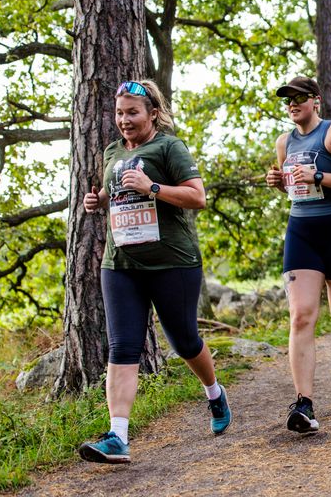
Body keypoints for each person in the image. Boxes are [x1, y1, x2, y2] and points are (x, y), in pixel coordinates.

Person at [77, 79, 229, 464]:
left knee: (184, 340)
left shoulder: (169, 146)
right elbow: (117, 193)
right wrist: (97, 201)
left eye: (133, 113)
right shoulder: (112, 150)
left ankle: (215, 393)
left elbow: (197, 196)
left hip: (172, 262)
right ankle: (117, 436)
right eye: (119, 113)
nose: (124, 120)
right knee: (123, 346)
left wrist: (153, 187)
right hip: (121, 264)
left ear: (152, 114)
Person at [265, 76, 331, 434]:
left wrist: (320, 174)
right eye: (287, 100)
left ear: (316, 100)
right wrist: (280, 182)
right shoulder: (284, 142)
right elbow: (295, 190)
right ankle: (304, 404)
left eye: (299, 98)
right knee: (301, 316)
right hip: (302, 232)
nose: (292, 104)